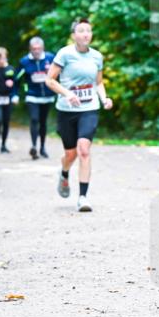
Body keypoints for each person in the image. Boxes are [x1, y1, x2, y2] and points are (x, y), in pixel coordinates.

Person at [45, 18, 113, 212]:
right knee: (70, 154)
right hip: (66, 111)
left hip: (89, 108)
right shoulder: (64, 54)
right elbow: (49, 80)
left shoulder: (97, 57)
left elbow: (98, 83)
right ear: (74, 35)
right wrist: (68, 94)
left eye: (88, 31)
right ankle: (64, 173)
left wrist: (104, 99)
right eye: (81, 31)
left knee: (84, 149)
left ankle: (83, 197)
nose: (85, 34)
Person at [16, 36, 57, 159]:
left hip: (47, 96)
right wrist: (15, 95)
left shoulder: (50, 58)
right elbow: (17, 78)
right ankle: (34, 146)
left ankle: (42, 147)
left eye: (39, 49)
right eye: (34, 49)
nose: (36, 51)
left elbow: (59, 74)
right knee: (34, 119)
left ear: (43, 48)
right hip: (32, 95)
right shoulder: (24, 61)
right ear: (30, 49)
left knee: (43, 122)